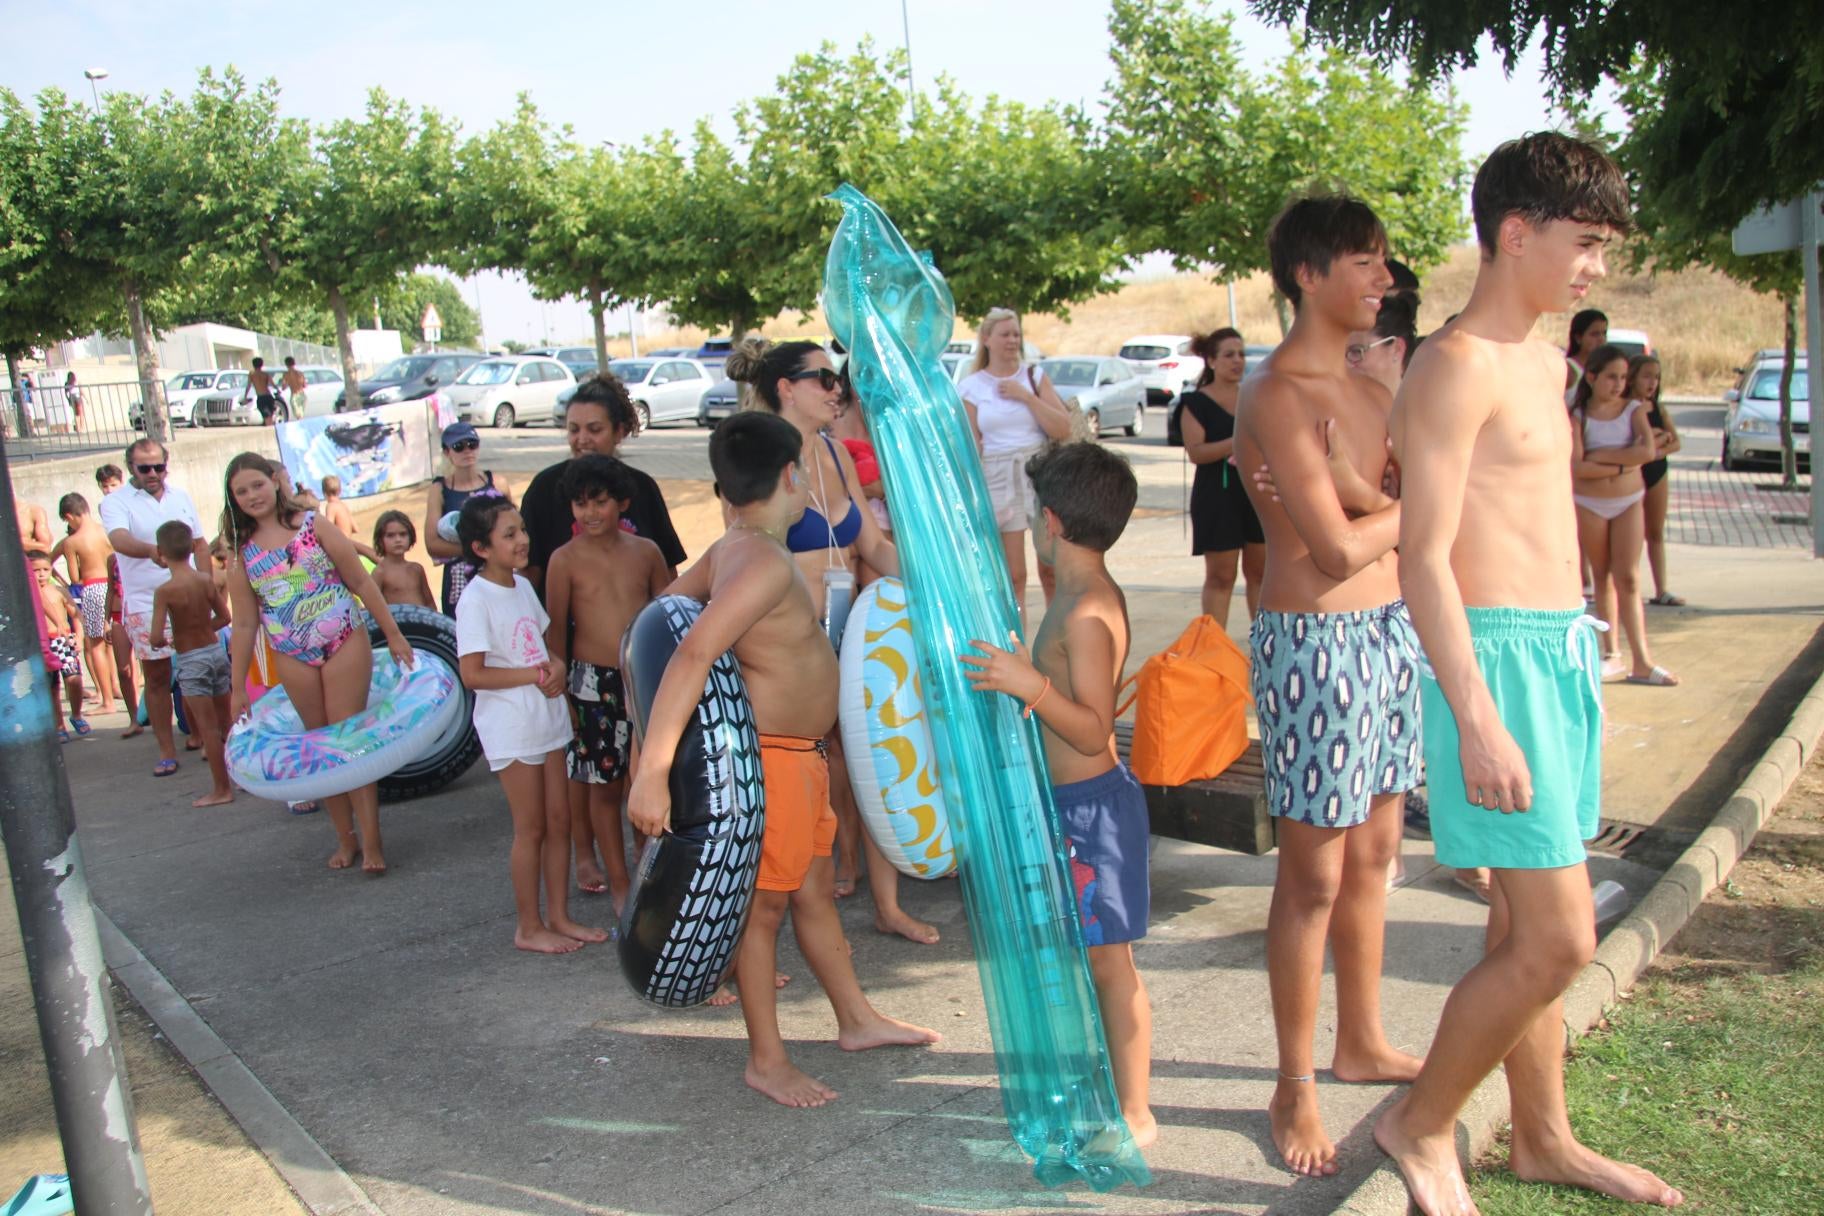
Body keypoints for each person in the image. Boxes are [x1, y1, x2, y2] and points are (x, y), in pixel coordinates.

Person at [1385, 132, 1683, 1214]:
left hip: (1559, 650)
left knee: (1521, 928)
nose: (1597, 265)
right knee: (1560, 937)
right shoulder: (1452, 364)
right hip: (1493, 664)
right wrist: (1477, 715)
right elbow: (1423, 559)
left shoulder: (1546, 363)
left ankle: (1544, 1137)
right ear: (1518, 234)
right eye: (1586, 242)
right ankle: (1417, 1122)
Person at [627, 411, 939, 1109]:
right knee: (763, 913)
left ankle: (856, 1019)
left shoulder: (731, 548)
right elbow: (691, 649)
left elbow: (657, 617)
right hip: (774, 763)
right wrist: (656, 769)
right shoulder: (763, 564)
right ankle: (767, 1060)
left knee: (814, 893)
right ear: (792, 476)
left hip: (801, 760)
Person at [1234, 194, 1423, 1178]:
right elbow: (1337, 545)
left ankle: (1362, 1036)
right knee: (1312, 873)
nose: (1382, 280)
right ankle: (1293, 1081)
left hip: (1388, 633)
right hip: (1316, 645)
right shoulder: (1276, 393)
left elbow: (1372, 517)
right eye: (1365, 262)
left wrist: (1381, 496)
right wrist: (1410, 504)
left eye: (1385, 264)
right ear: (1310, 274)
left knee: (1379, 850)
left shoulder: (1367, 387)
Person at [958, 442, 1156, 1147]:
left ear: (1049, 520)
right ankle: (1114, 1087)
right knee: (1090, 956)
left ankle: (1137, 1112)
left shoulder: (1086, 612)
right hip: (1072, 809)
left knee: (1111, 962)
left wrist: (1027, 684)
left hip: (1095, 810)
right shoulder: (1071, 589)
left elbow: (1094, 727)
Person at [725, 339, 938, 941]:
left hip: (851, 636)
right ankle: (742, 937)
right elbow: (741, 558)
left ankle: (887, 906)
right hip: (788, 650)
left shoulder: (839, 454)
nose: (835, 387)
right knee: (776, 791)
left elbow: (870, 546)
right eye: (822, 377)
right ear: (786, 387)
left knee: (873, 759)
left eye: (835, 377)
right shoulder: (759, 458)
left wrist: (934, 584)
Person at [224, 452, 412, 873]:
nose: (252, 495)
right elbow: (243, 625)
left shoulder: (313, 525)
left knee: (350, 741)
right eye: (241, 491)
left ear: (275, 481)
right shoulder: (241, 555)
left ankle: (374, 842)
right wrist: (238, 688)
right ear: (233, 499)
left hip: (344, 638)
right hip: (292, 654)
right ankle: (346, 841)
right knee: (322, 747)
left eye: (257, 484)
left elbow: (360, 580)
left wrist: (394, 634)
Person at [454, 496, 607, 953]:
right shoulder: (474, 599)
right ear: (481, 548)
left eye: (522, 530)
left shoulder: (521, 586)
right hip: (512, 726)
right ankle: (529, 925)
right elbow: (473, 673)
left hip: (546, 718)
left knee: (559, 822)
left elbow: (541, 648)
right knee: (532, 828)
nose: (522, 540)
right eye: (509, 534)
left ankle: (558, 916)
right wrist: (535, 674)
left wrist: (556, 666)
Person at [544, 455, 667, 910]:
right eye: (580, 504)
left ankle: (649, 866)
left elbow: (667, 614)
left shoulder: (647, 552)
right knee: (603, 786)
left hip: (643, 678)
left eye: (599, 501)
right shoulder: (563, 560)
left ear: (623, 503)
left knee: (649, 779)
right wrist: (562, 695)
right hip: (590, 685)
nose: (590, 512)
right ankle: (618, 883)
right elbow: (556, 630)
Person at [957, 308, 1074, 623]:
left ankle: (1056, 636)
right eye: (1005, 334)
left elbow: (1062, 428)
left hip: (1038, 473)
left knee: (1051, 568)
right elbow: (971, 442)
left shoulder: (1034, 377)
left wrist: (1027, 398)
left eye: (1016, 334)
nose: (1012, 340)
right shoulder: (971, 387)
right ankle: (1019, 644)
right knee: (1013, 575)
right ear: (986, 339)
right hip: (997, 476)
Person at [101, 439, 209, 775]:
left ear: (167, 464)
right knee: (158, 677)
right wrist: (152, 551)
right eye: (143, 467)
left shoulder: (180, 497)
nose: (152, 474)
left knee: (198, 670)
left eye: (158, 467)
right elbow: (118, 540)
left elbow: (200, 543)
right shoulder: (116, 502)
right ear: (130, 467)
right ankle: (166, 748)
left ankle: (203, 737)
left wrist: (205, 581)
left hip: (188, 600)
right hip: (146, 603)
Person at [1571, 345, 1678, 686]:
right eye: (1611, 377)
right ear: (1592, 377)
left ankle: (1643, 660)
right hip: (1590, 503)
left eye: (1622, 377)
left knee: (1628, 578)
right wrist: (1622, 462)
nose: (1618, 384)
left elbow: (1648, 451)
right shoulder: (1579, 415)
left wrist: (1605, 457)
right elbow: (1577, 467)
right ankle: (1611, 652)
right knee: (1601, 575)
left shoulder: (1633, 410)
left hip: (1628, 499)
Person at [522, 376, 685, 596]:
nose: (582, 439)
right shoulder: (545, 488)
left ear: (620, 431)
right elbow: (529, 573)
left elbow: (667, 573)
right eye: (573, 430)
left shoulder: (643, 488)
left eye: (594, 429)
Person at [1180, 328, 1266, 630]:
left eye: (1241, 354)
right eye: (1229, 355)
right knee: (1221, 576)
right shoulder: (1195, 403)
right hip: (1217, 496)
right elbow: (1197, 452)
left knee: (1260, 572)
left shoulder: (1257, 396)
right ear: (1212, 361)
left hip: (1257, 493)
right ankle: (1214, 649)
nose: (1237, 361)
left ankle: (1265, 643)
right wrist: (1237, 441)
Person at [147, 521, 235, 808]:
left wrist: (171, 640)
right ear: (191, 548)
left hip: (191, 657)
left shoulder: (165, 591)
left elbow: (156, 636)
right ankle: (243, 777)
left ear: (161, 552)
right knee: (227, 721)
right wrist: (203, 627)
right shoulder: (204, 581)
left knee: (207, 727)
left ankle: (222, 788)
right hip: (214, 650)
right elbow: (225, 618)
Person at [423, 422, 510, 614]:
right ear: (447, 452)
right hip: (459, 578)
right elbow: (431, 544)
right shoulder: (439, 489)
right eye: (458, 446)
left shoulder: (497, 483)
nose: (467, 451)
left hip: (497, 572)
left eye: (472, 444)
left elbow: (516, 527)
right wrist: (479, 550)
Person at [51, 492, 122, 715]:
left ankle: (107, 700)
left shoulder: (72, 541)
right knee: (112, 641)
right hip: (112, 587)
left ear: (70, 516)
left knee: (95, 646)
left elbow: (75, 577)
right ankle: (116, 687)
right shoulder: (107, 531)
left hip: (92, 588)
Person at [1630, 355, 1684, 607]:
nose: (1652, 382)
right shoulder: (1627, 408)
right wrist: (1655, 441)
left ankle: (1662, 588)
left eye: (1657, 377)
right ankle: (1629, 587)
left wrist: (1656, 449)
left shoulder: (1658, 409)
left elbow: (1675, 441)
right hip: (1632, 472)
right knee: (1632, 533)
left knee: (1656, 532)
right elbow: (1634, 441)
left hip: (1657, 470)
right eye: (1647, 376)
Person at [28, 550, 88, 741]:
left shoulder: (59, 591)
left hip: (63, 641)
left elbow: (75, 614)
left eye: (45, 569)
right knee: (52, 686)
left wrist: (78, 636)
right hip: (43, 642)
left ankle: (76, 714)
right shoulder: (29, 595)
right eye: (36, 570)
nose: (41, 574)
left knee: (74, 679)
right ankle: (59, 724)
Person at [371, 510, 436, 609]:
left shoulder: (416, 569)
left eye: (403, 534)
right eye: (390, 535)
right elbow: (373, 606)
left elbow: (429, 601)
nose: (398, 540)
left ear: (411, 536)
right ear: (380, 541)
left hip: (422, 621)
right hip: (398, 623)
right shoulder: (380, 572)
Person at [1563, 308, 1609, 402]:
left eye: (1604, 333)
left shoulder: (1606, 367)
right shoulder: (1568, 369)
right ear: (1578, 338)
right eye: (1594, 334)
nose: (1601, 339)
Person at [244, 357, 278, 426]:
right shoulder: (265, 374)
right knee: (270, 416)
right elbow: (273, 384)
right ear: (262, 365)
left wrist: (245, 396)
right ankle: (271, 428)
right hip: (268, 396)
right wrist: (278, 390)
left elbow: (248, 386)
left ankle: (270, 429)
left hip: (261, 397)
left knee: (266, 417)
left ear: (253, 365)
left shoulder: (252, 374)